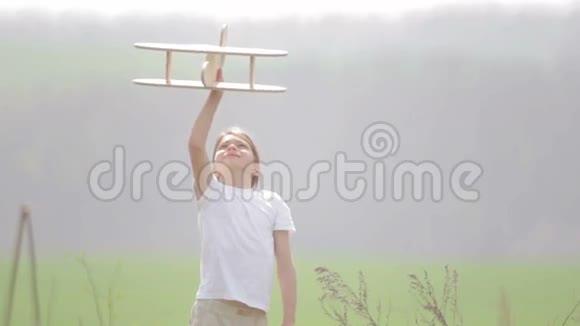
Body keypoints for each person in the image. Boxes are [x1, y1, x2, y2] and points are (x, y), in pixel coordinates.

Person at [187, 68, 297, 326]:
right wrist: (216, 95)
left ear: (257, 166)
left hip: (255, 315)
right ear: (213, 164)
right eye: (224, 146)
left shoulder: (274, 203)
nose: (232, 147)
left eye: (241, 145)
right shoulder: (211, 193)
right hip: (213, 309)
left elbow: (285, 267)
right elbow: (195, 144)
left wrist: (289, 318)